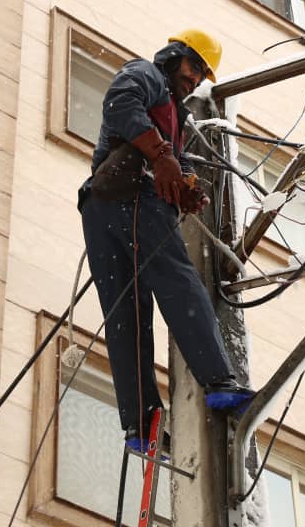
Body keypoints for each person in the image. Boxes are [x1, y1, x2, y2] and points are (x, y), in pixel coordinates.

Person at [78, 29, 253, 451]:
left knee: (127, 316)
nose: (194, 80)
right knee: (177, 281)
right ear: (175, 56)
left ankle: (141, 425)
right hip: (131, 196)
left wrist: (186, 184)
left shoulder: (176, 117)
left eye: (201, 76)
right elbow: (121, 104)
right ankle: (218, 380)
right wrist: (162, 158)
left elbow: (175, 159)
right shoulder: (147, 75)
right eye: (193, 68)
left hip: (101, 207)